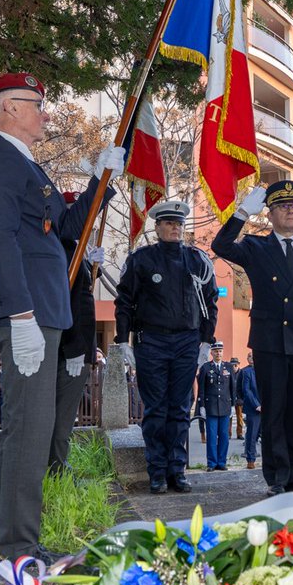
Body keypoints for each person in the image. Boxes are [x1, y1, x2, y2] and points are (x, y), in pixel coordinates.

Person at [0, 71, 124, 563]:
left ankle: (11, 534)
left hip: (42, 309)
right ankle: (19, 549)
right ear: (8, 108)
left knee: (27, 429)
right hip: (26, 311)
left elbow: (64, 230)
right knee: (28, 430)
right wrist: (22, 314)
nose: (46, 112)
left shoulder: (28, 166)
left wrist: (101, 180)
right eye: (37, 103)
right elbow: (0, 242)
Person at [212, 181, 293, 495]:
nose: (291, 212)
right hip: (270, 341)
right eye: (283, 207)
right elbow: (220, 246)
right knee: (274, 410)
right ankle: (278, 478)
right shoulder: (256, 246)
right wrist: (241, 213)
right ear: (271, 212)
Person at [114, 200, 219, 494]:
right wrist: (123, 339)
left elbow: (210, 304)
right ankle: (157, 471)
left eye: (179, 224)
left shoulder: (198, 261)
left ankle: (177, 470)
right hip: (152, 341)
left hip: (187, 341)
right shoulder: (142, 259)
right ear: (157, 227)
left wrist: (207, 341)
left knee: (180, 409)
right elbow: (124, 301)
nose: (175, 228)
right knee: (156, 410)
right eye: (169, 223)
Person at [48, 192, 103, 476]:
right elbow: (70, 305)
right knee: (61, 418)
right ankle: (57, 470)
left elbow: (83, 291)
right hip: (69, 349)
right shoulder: (63, 247)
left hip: (75, 348)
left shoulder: (73, 247)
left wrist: (95, 268)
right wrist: (74, 349)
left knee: (63, 417)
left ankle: (56, 466)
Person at [197, 342, 235, 471]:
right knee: (212, 436)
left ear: (222, 352)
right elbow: (201, 388)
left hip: (225, 406)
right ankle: (212, 463)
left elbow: (232, 388)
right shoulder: (206, 368)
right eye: (216, 351)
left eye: (220, 351)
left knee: (224, 436)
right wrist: (201, 406)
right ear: (211, 353)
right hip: (211, 407)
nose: (218, 353)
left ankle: (222, 462)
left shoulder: (228, 367)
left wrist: (233, 405)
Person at [239, 352, 261, 468]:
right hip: (254, 408)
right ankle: (251, 459)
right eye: (250, 356)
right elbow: (246, 390)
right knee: (252, 434)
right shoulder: (246, 372)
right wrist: (256, 405)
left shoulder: (266, 371)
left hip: (267, 406)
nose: (252, 358)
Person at [229, 357, 246, 439]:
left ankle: (239, 433)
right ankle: (228, 434)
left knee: (239, 417)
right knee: (229, 417)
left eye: (235, 365)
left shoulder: (241, 373)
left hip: (239, 399)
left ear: (238, 365)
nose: (234, 367)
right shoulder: (228, 373)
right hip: (230, 399)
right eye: (232, 365)